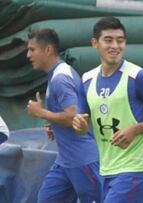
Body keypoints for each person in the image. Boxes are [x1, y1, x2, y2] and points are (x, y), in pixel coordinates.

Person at [72, 16, 143, 203]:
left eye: (120, 41)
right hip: (107, 167)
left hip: (136, 166)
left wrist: (134, 130)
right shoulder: (87, 79)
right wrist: (79, 125)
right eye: (108, 40)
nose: (115, 46)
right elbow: (82, 123)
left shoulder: (139, 77)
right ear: (94, 43)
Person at [26, 29, 102, 203]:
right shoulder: (56, 75)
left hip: (83, 160)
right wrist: (55, 125)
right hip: (65, 161)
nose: (28, 55)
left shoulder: (61, 78)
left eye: (32, 49)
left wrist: (41, 113)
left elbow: (73, 116)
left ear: (48, 50)